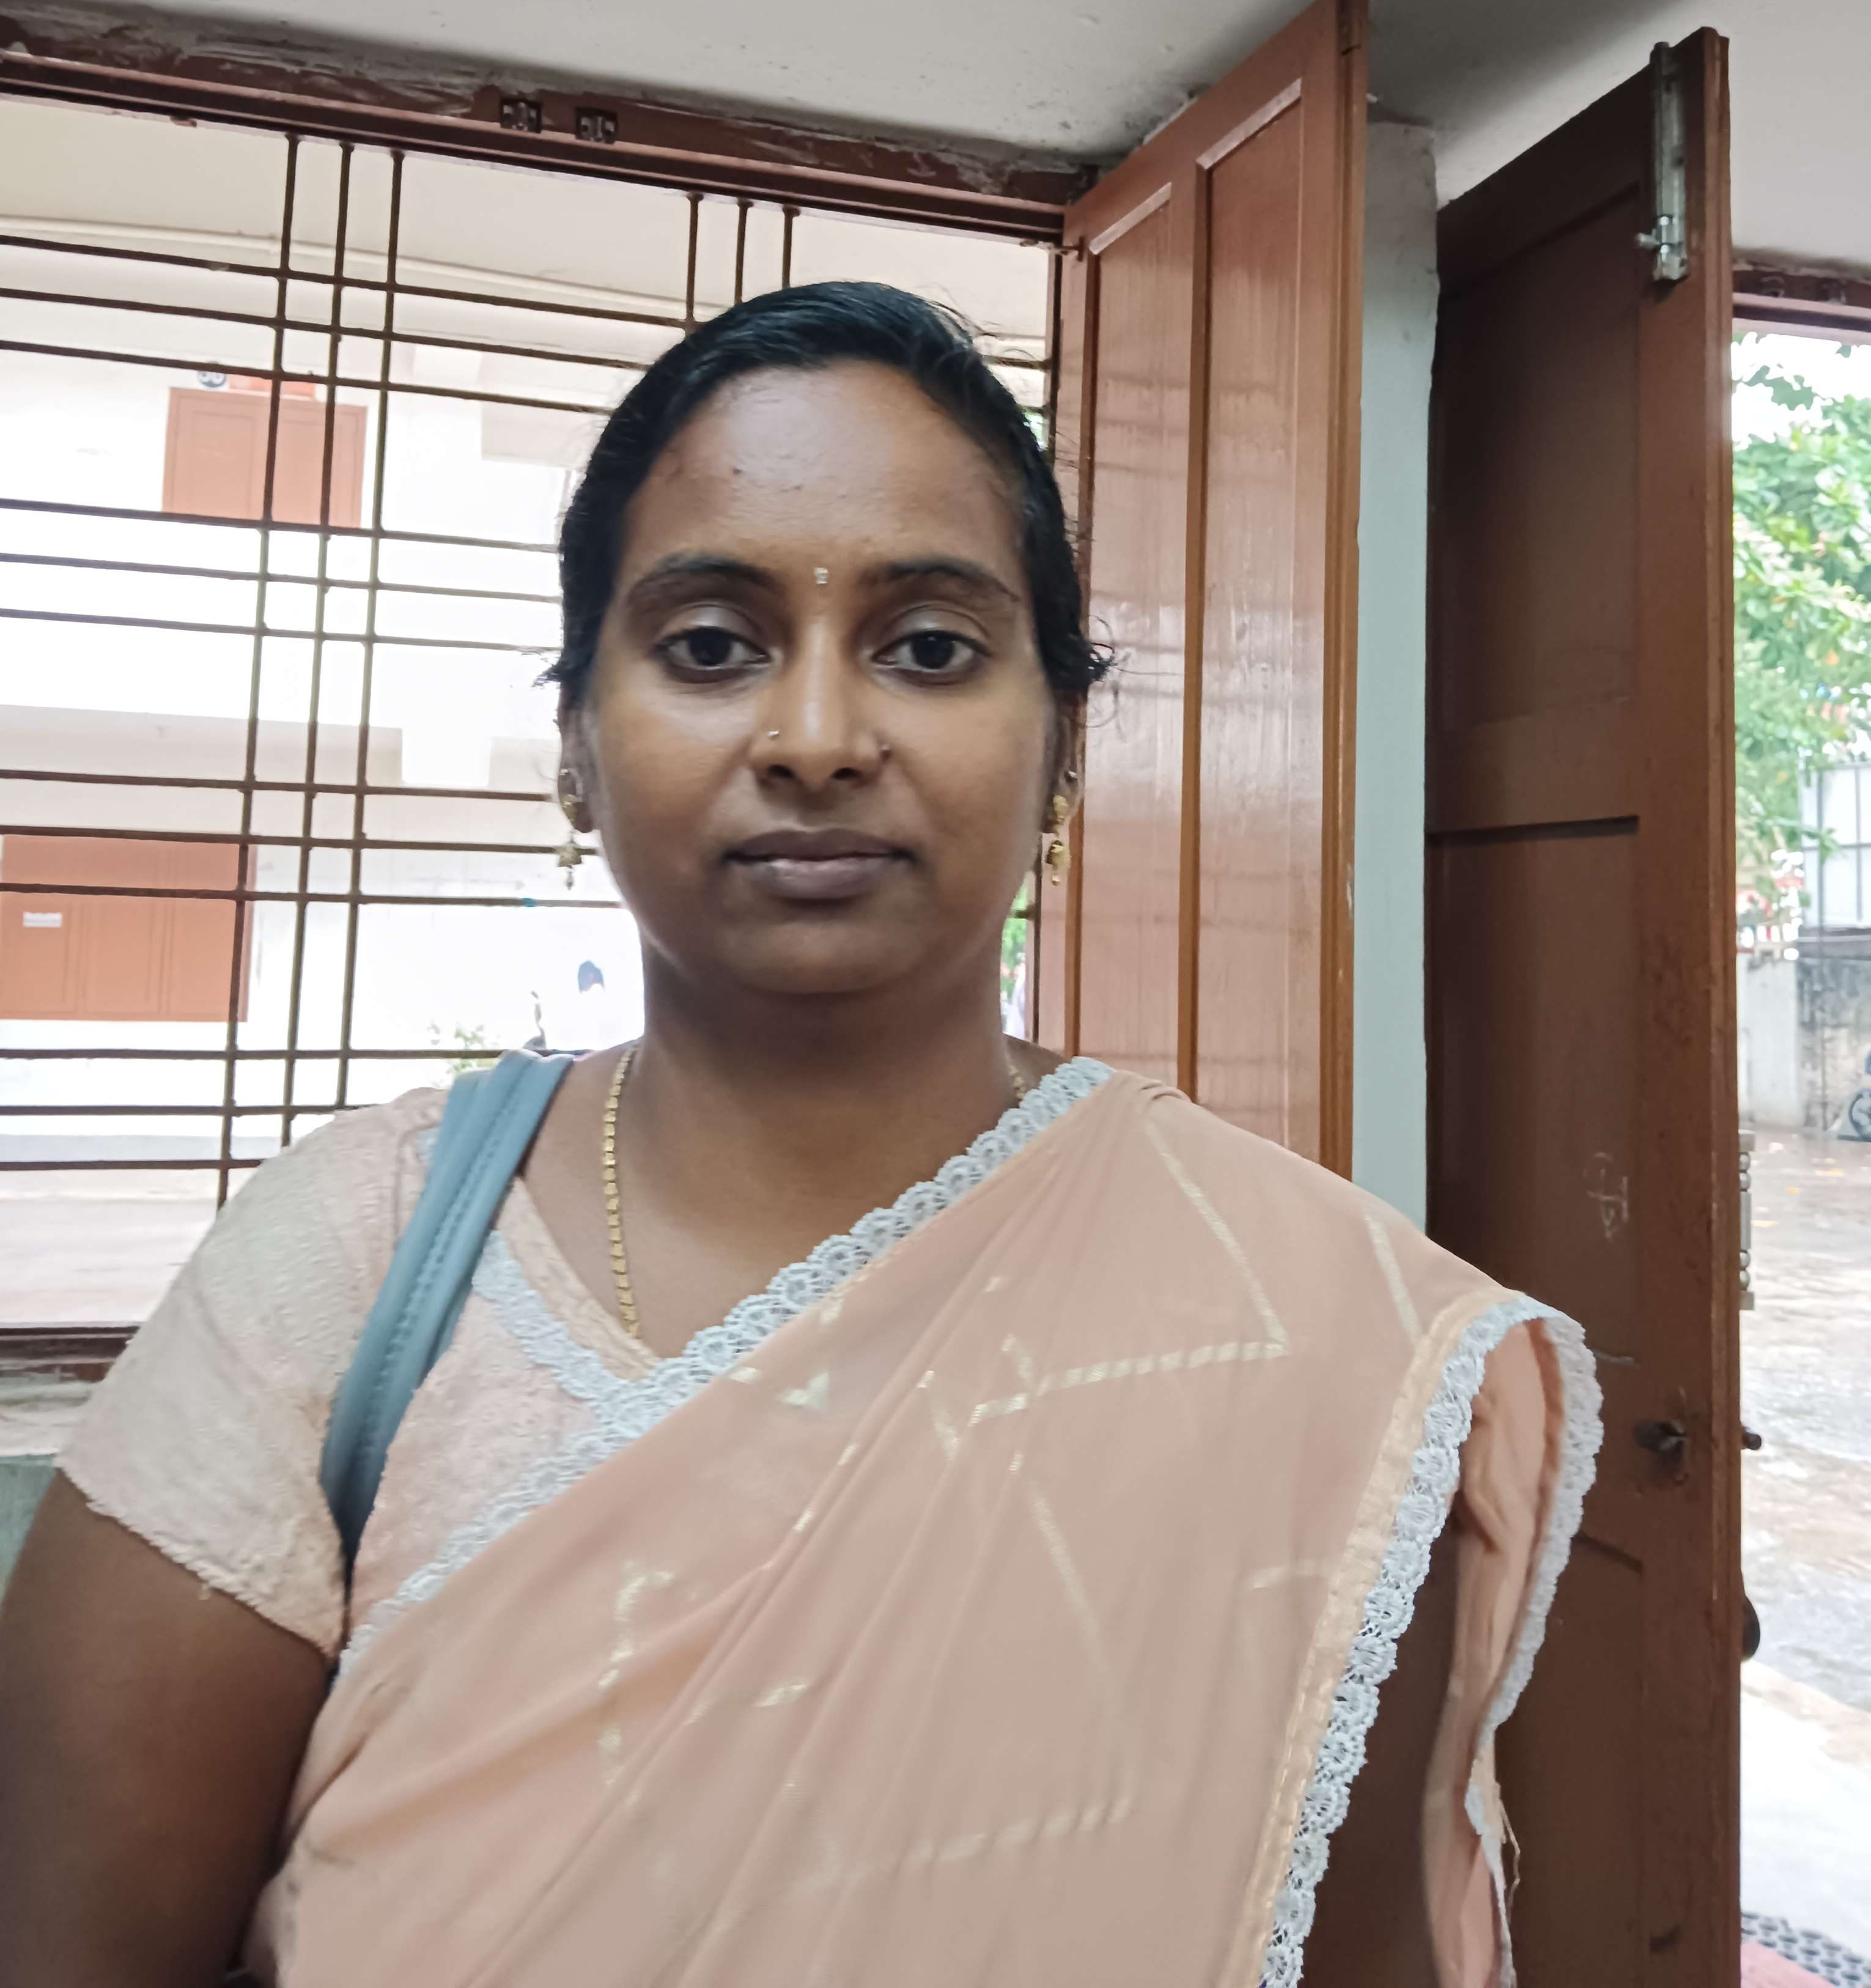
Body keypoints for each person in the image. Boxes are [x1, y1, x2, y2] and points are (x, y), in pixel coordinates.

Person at [0, 284, 1598, 1988]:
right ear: (575, 745)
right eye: (709, 646)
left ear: (1060, 747)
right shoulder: (354, 1259)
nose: (819, 741)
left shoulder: (1321, 1336)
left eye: (930, 648)